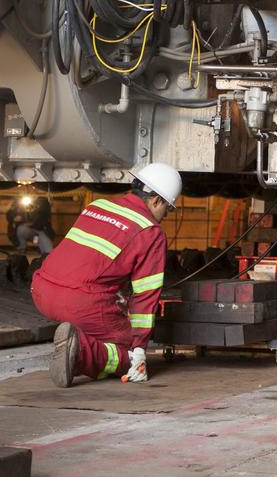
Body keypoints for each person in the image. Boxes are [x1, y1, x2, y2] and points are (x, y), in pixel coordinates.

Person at [30, 163, 181, 388]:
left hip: (41, 289)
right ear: (156, 200)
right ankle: (79, 352)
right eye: (166, 210)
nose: (164, 216)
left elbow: (91, 263)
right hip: (79, 303)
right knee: (126, 348)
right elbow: (145, 296)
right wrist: (139, 349)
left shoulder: (98, 206)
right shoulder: (150, 231)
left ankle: (76, 340)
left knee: (107, 318)